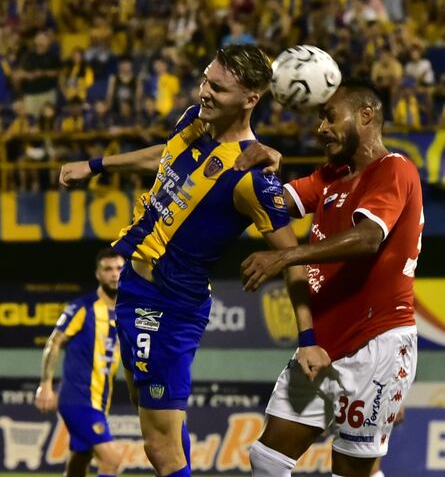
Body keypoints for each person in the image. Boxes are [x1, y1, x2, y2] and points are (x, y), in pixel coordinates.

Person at [58, 44, 321, 477]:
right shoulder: (193, 123)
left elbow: (293, 257)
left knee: (159, 447)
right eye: (204, 79)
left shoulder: (252, 177)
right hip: (133, 289)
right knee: (153, 415)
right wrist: (96, 165)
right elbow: (166, 152)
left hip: (167, 305)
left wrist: (307, 336)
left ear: (251, 99)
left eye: (218, 87)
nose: (204, 91)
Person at [239, 79, 422, 477]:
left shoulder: (395, 168)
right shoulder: (329, 177)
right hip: (322, 346)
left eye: (329, 117)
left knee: (351, 472)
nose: (320, 128)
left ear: (366, 115)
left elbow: (368, 238)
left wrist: (286, 256)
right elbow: (271, 204)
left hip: (376, 343)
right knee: (267, 458)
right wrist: (267, 165)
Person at [35, 248, 125, 477]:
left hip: (99, 401)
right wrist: (45, 384)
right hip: (79, 399)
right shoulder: (84, 307)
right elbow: (54, 342)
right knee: (111, 461)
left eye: (119, 269)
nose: (114, 274)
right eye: (108, 269)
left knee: (78, 464)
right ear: (98, 274)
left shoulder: (126, 312)